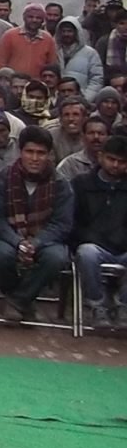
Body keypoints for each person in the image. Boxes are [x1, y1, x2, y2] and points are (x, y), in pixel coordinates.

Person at [0, 127, 74, 324]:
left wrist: (37, 242)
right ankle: (22, 299)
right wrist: (18, 242)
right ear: (21, 152)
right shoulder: (3, 178)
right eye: (30, 152)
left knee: (57, 258)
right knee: (0, 255)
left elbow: (62, 224)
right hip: (8, 235)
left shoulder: (61, 184)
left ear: (49, 155)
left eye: (41, 153)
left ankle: (18, 300)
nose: (35, 158)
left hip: (45, 238)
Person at [69, 136, 127, 332]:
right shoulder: (80, 184)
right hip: (91, 244)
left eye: (122, 162)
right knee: (87, 253)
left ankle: (123, 307)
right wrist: (93, 238)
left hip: (123, 247)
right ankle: (97, 306)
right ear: (100, 157)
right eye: (112, 159)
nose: (116, 165)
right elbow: (72, 222)